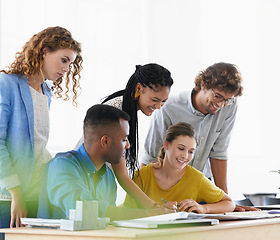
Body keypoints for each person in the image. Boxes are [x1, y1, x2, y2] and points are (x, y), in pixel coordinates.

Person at [140, 62, 258, 212]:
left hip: (201, 187)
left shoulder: (230, 106)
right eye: (218, 96)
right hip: (169, 189)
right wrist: (147, 205)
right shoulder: (169, 108)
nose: (221, 104)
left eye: (227, 100)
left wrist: (225, 203)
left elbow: (219, 152)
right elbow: (151, 156)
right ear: (203, 85)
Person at [0, 26, 83, 233]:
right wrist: (16, 193)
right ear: (44, 51)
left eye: (70, 63)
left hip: (37, 192)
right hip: (9, 197)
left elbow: (37, 144)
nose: (66, 69)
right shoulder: (6, 84)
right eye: (64, 60)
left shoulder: (46, 92)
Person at [38, 105, 171, 221]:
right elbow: (86, 211)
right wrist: (147, 214)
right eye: (124, 140)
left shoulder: (107, 175)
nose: (128, 146)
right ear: (105, 141)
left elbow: (107, 220)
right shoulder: (62, 166)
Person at [100, 64, 173, 209]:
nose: (158, 106)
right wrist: (154, 207)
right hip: (89, 179)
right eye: (155, 99)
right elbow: (122, 175)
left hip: (101, 180)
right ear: (139, 88)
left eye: (163, 101)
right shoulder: (116, 112)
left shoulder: (126, 107)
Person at [124, 122, 235, 213]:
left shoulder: (196, 178)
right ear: (166, 145)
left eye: (191, 151)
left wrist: (203, 208)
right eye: (181, 148)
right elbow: (127, 212)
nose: (185, 156)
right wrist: (157, 211)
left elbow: (229, 203)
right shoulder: (142, 175)